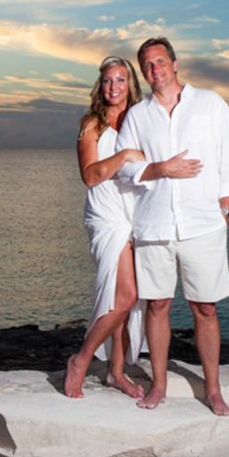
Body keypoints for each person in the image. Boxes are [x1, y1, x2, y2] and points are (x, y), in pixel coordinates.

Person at [116, 37, 229, 416]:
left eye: (159, 61)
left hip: (203, 224)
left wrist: (226, 211)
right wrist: (160, 168)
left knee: (205, 307)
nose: (154, 69)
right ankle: (159, 385)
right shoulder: (138, 115)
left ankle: (214, 391)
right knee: (157, 304)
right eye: (147, 65)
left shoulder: (210, 103)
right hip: (153, 224)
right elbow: (124, 168)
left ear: (174, 63)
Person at [64, 56, 147, 399]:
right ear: (101, 85)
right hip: (106, 216)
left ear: (131, 85)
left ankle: (116, 372)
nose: (114, 87)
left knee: (127, 300)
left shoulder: (141, 119)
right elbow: (90, 175)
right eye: (108, 81)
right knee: (125, 296)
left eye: (121, 80)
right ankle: (81, 361)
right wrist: (125, 155)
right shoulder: (92, 124)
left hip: (137, 213)